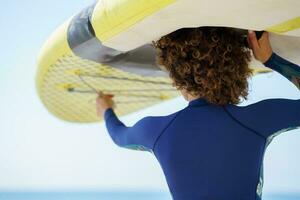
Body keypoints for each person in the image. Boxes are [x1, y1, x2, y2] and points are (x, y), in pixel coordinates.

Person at [96, 27, 300, 200]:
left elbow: (118, 135)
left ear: (179, 78)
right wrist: (271, 60)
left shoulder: (156, 131)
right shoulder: (257, 119)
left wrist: (106, 110)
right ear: (236, 71)